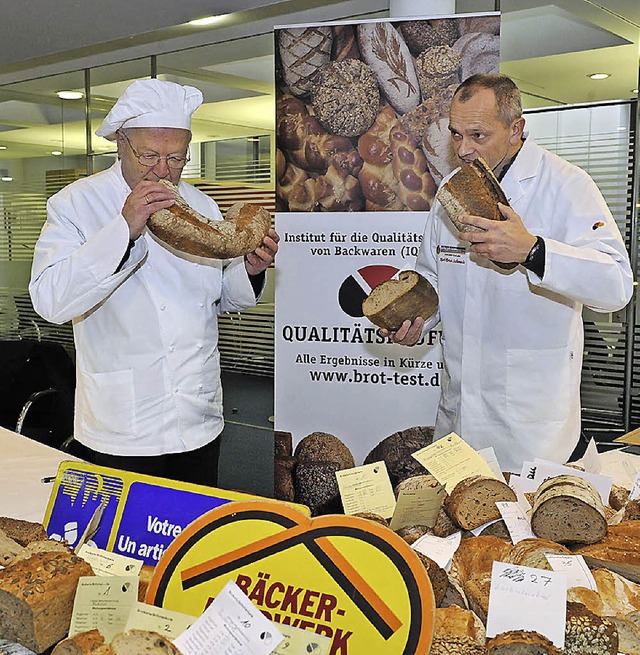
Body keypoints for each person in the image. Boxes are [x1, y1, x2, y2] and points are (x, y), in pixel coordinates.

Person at [29, 79, 279, 486]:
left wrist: (250, 269)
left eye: (177, 159)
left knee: (193, 538)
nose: (164, 171)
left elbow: (216, 299)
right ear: (120, 144)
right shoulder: (76, 203)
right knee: (116, 544)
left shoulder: (200, 204)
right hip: (122, 425)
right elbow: (50, 301)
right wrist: (123, 229)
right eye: (150, 156)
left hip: (199, 417)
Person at [386, 74, 633, 472]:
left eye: (478, 135)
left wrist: (533, 251)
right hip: (458, 415)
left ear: (516, 128)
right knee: (458, 527)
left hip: (531, 426)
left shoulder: (565, 185)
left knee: (528, 531)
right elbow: (432, 276)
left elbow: (616, 285)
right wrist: (417, 316)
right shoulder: (451, 189)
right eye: (456, 134)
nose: (463, 149)